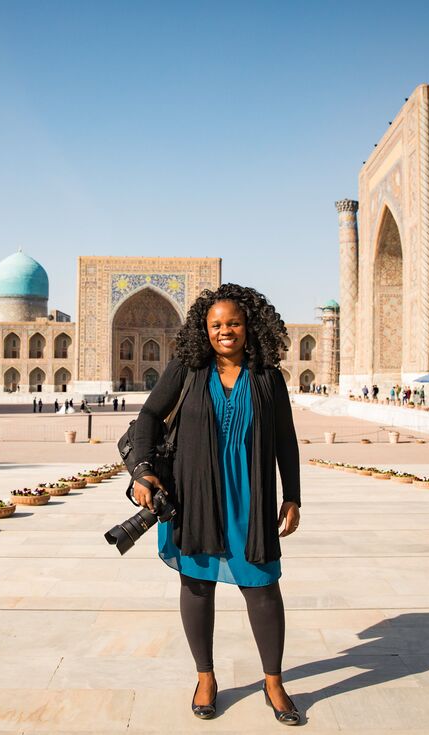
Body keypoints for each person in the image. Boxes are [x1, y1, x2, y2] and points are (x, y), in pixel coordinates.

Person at [131, 284, 301, 725]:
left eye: (234, 323)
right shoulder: (188, 370)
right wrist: (143, 471)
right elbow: (149, 416)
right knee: (197, 582)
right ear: (203, 331)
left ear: (250, 327)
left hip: (250, 492)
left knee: (261, 585)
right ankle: (205, 678)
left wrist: (293, 496)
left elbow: (285, 440)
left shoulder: (267, 377)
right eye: (216, 325)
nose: (225, 331)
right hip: (194, 492)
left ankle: (273, 682)